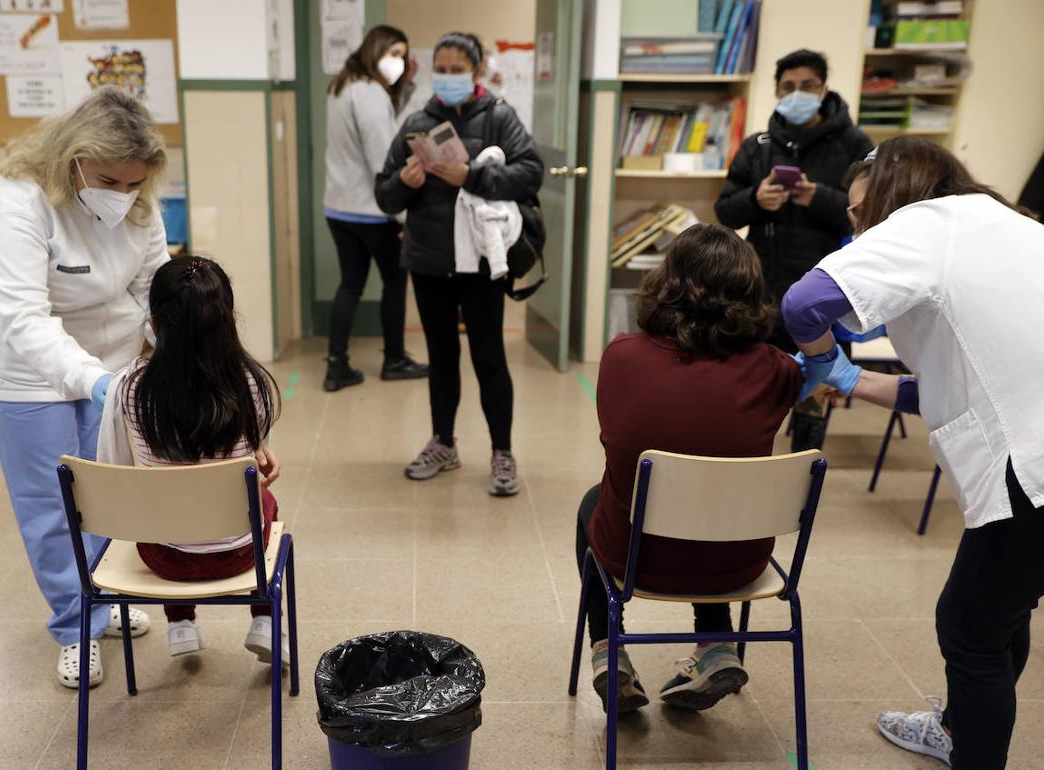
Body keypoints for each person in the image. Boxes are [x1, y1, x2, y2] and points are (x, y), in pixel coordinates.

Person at [781, 136, 1044, 770]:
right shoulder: (1009, 225)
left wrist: (817, 356)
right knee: (1004, 611)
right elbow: (961, 383)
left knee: (969, 627)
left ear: (895, 195)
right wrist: (848, 378)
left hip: (1031, 465)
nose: (853, 222)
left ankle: (967, 747)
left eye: (857, 208)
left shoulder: (921, 224)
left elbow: (802, 303)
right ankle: (960, 726)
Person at [0, 86, 168, 689]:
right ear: (72, 158)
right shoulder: (15, 204)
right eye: (110, 179)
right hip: (26, 370)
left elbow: (153, 286)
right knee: (51, 504)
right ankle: (77, 623)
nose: (123, 195)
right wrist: (91, 380)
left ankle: (105, 594)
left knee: (104, 487)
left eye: (134, 184)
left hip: (109, 358)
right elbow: (25, 319)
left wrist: (176, 346)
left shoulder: (137, 206)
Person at [576, 224, 802, 714]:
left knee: (594, 500)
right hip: (739, 563)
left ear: (668, 282)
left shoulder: (621, 357)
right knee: (713, 491)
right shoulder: (776, 370)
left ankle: (607, 650)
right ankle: (716, 643)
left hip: (637, 557)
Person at [375, 31, 543, 496]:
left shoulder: (499, 117)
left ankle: (502, 452)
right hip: (429, 261)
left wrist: (473, 175)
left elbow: (531, 172)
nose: (447, 78)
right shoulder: (418, 121)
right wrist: (406, 182)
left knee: (490, 357)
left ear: (477, 68)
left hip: (482, 264)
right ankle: (444, 443)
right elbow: (384, 194)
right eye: (441, 70)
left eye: (456, 70)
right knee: (442, 358)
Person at [97, 256, 287, 663]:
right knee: (265, 503)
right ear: (231, 320)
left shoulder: (128, 386)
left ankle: (180, 624)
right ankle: (266, 619)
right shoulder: (250, 382)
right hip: (241, 554)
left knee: (165, 502)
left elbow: (114, 474)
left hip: (164, 557)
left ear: (153, 324)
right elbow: (254, 466)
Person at [715, 48, 872, 451]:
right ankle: (749, 455)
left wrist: (817, 198)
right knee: (754, 384)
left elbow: (870, 219)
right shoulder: (757, 145)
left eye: (807, 86)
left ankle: (803, 465)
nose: (797, 93)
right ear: (776, 91)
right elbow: (725, 212)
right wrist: (756, 199)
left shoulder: (855, 144)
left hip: (827, 289)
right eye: (788, 87)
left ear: (823, 89)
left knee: (817, 389)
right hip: (761, 287)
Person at [323, 24, 428, 392]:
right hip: (373, 210)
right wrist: (403, 215)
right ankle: (395, 359)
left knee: (350, 284)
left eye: (403, 55)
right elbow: (383, 160)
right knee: (395, 281)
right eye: (394, 54)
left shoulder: (343, 85)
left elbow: (383, 122)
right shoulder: (369, 93)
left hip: (338, 207)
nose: (398, 62)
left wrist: (406, 84)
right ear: (376, 50)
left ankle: (336, 366)